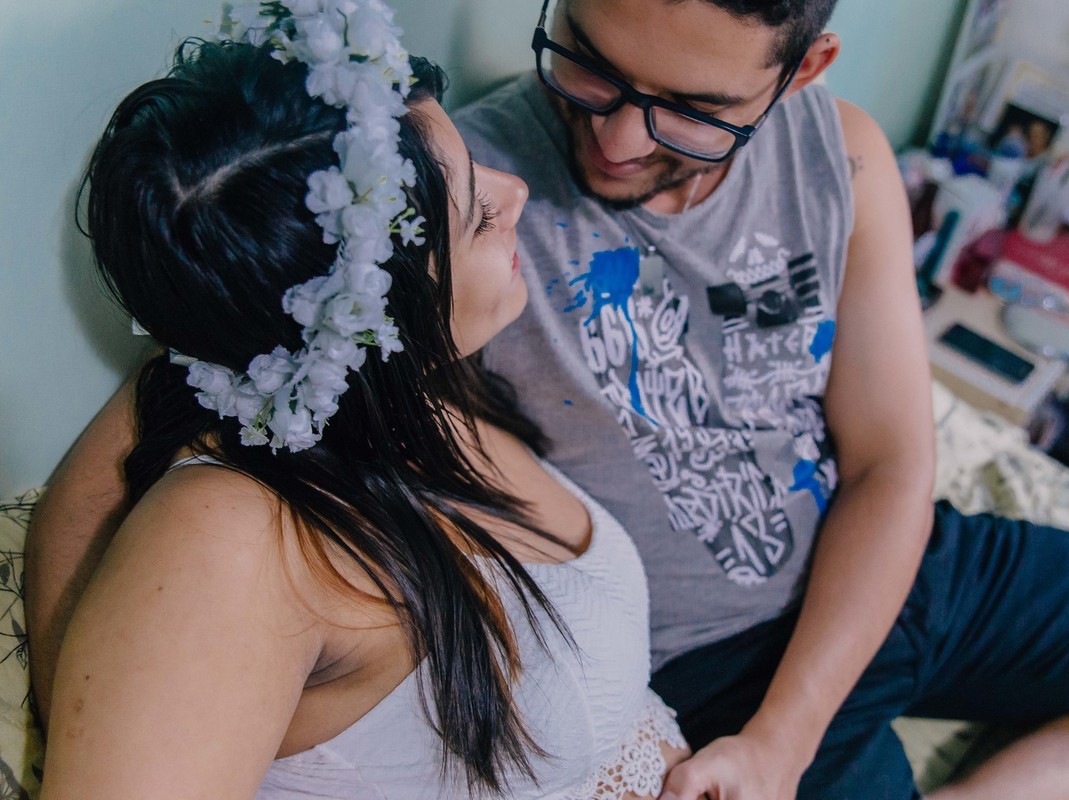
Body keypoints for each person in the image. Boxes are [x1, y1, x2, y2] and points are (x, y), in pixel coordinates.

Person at [26, 1, 1069, 799]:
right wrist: (92, 683)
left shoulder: (840, 155)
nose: (614, 138)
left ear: (800, 72)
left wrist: (788, 734)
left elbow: (893, 460)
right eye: (587, 60)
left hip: (892, 562)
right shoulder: (418, 208)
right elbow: (207, 367)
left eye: (688, 106)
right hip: (715, 665)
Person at [33, 4, 690, 798]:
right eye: (477, 215)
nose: (516, 192)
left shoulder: (409, 390)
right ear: (368, 313)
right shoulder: (229, 540)